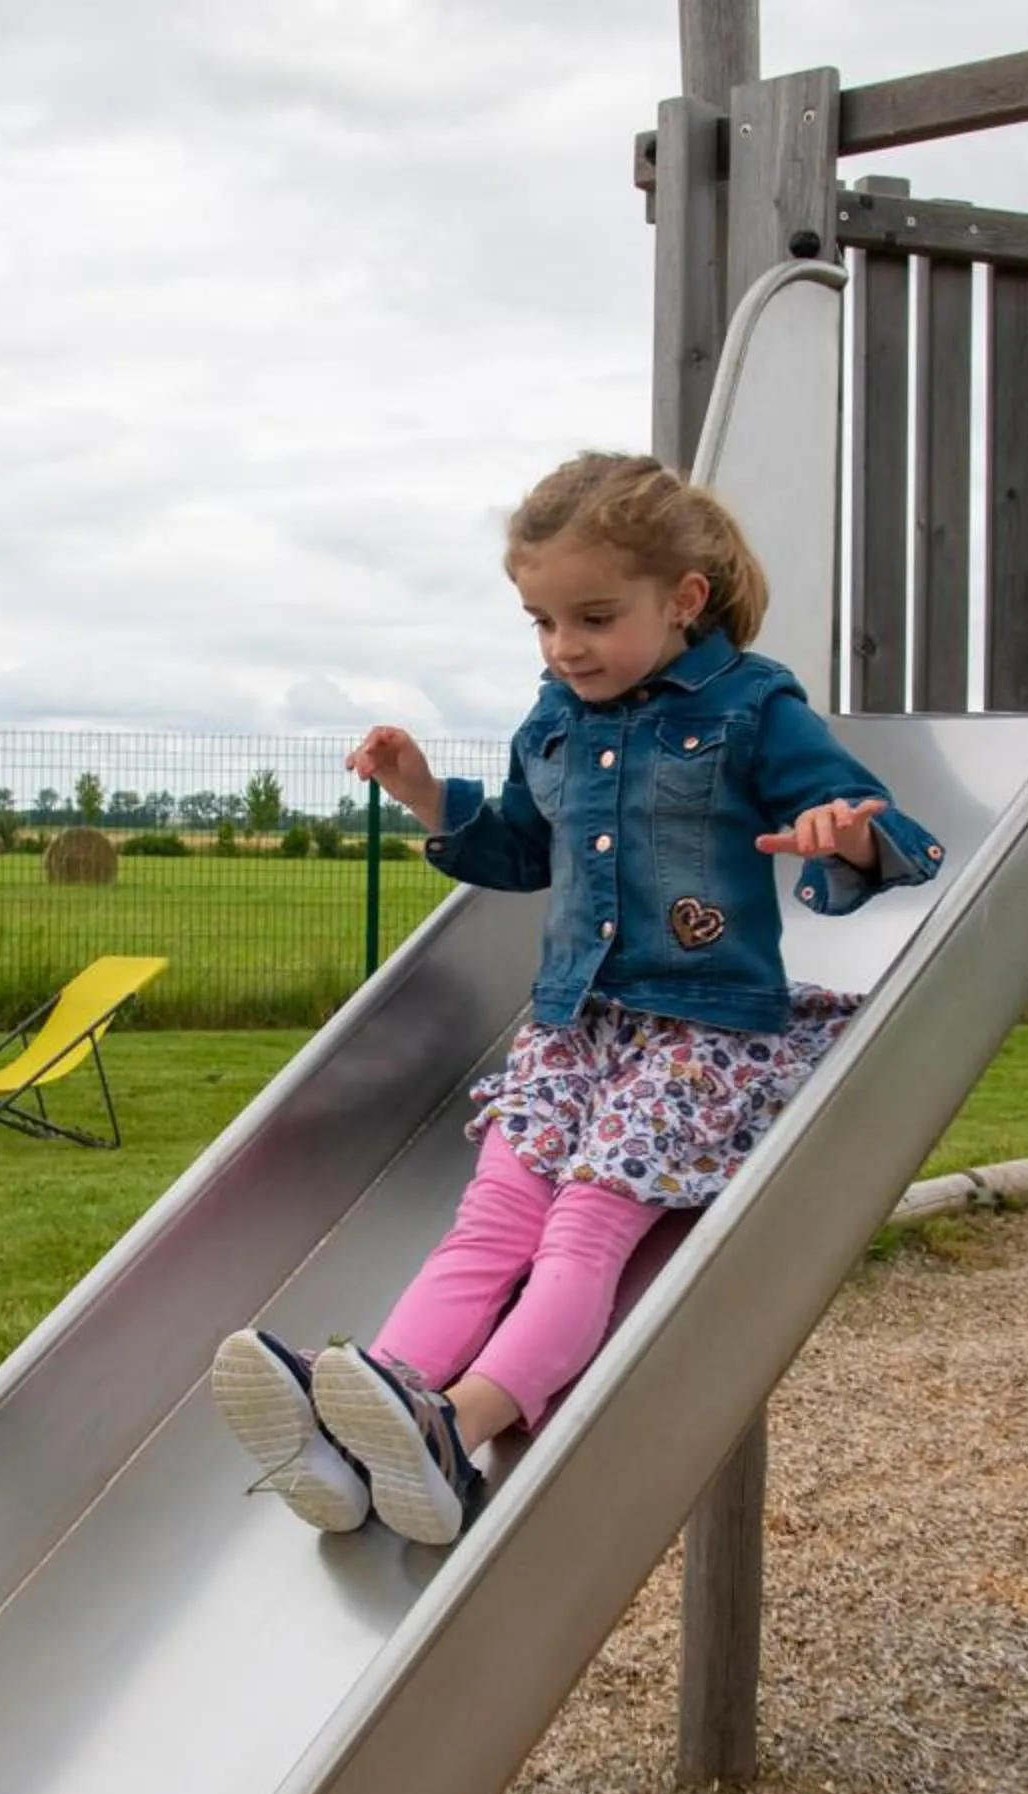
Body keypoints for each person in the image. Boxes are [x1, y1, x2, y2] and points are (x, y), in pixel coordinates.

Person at [211, 450, 943, 1546]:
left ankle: (459, 1427)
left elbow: (863, 819)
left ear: (683, 600)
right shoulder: (553, 716)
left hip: (699, 1034)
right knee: (489, 1224)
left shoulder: (751, 703)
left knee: (582, 1234)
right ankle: (379, 1419)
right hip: (573, 1026)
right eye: (542, 623)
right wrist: (423, 792)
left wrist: (850, 833)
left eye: (594, 617)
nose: (566, 647)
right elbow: (518, 847)